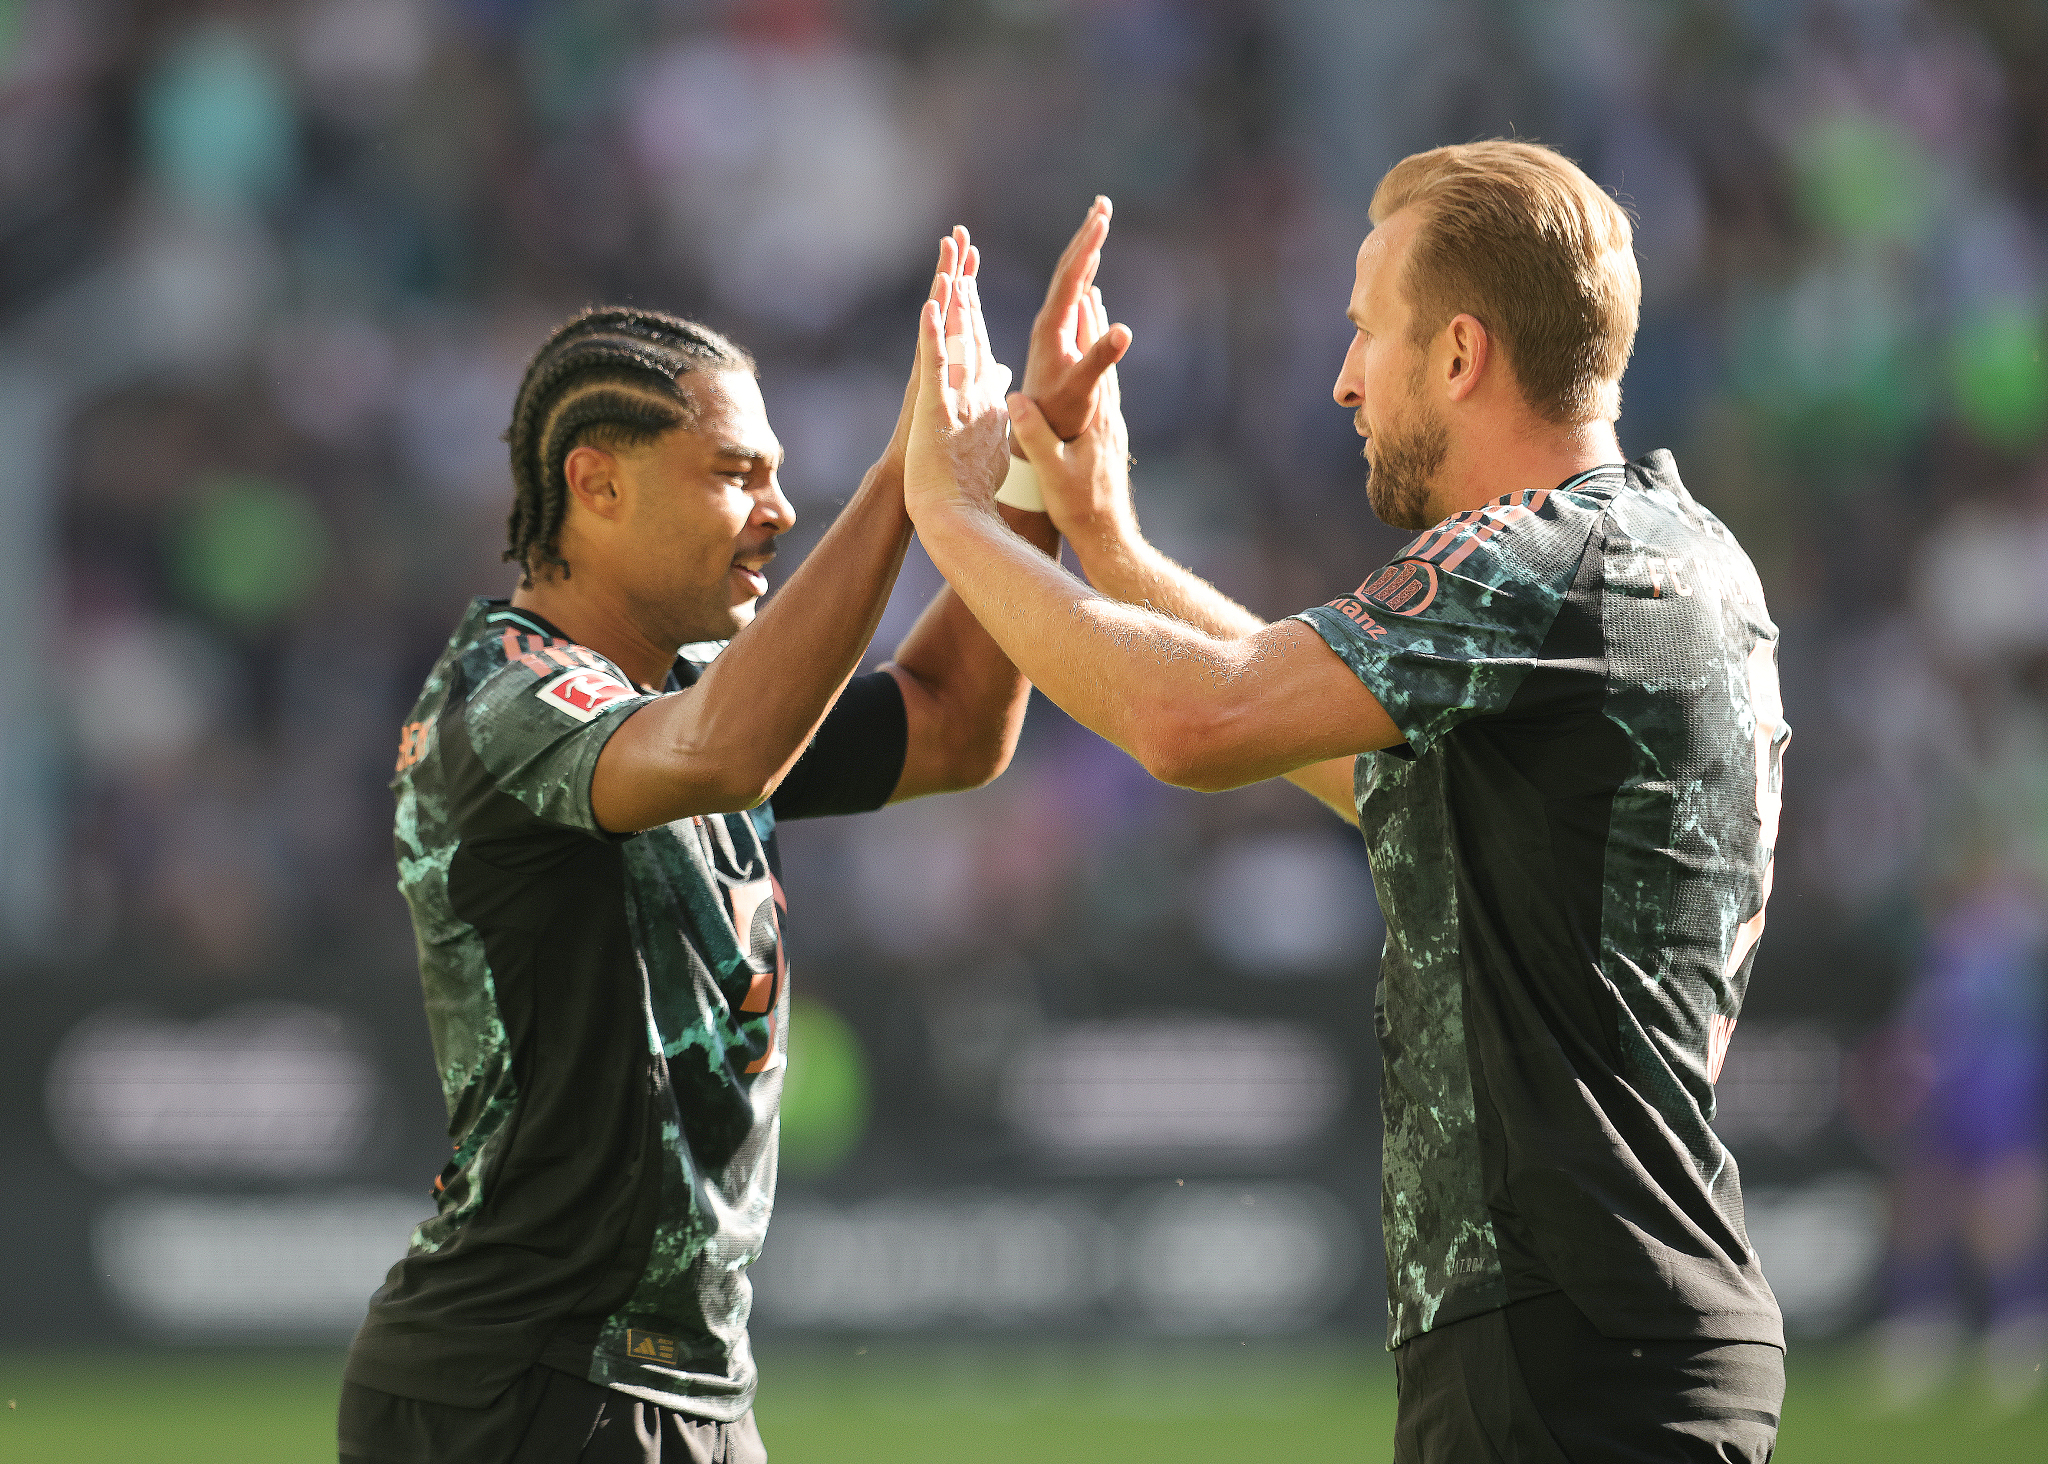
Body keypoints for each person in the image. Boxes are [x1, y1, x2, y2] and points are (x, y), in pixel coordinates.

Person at [902, 143, 1790, 1463]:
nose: (1341, 377)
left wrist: (952, 513)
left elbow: (1198, 719)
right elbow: (1347, 764)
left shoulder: (1547, 555)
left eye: (1367, 329)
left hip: (1574, 1352)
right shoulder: (1654, 554)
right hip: (1605, 1333)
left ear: (1460, 354)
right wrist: (1111, 551)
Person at [338, 219, 1125, 1464]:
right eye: (734, 473)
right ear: (596, 484)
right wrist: (906, 482)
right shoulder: (504, 696)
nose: (776, 507)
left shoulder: (696, 681)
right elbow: (721, 754)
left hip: (683, 1389)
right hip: (522, 1382)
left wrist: (1027, 473)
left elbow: (956, 725)